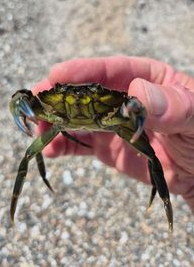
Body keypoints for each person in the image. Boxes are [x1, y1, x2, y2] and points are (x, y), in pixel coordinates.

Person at [33, 56, 194, 215]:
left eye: (92, 96)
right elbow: (22, 100)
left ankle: (163, 198)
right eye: (66, 96)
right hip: (70, 122)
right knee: (30, 154)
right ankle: (41, 180)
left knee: (151, 155)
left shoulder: (120, 117)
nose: (79, 102)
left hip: (108, 121)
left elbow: (133, 104)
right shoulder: (49, 112)